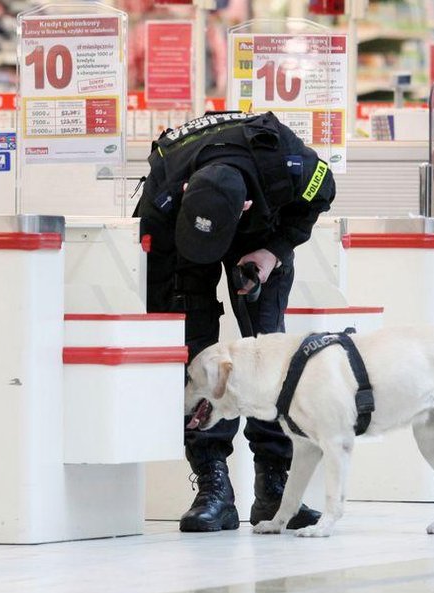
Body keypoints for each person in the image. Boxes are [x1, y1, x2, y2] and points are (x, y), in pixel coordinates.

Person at [134, 111, 336, 532]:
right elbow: (155, 284)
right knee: (195, 356)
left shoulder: (291, 163)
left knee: (267, 354)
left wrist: (274, 251)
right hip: (183, 243)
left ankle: (275, 489)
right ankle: (213, 486)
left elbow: (323, 193)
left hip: (259, 237)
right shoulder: (165, 187)